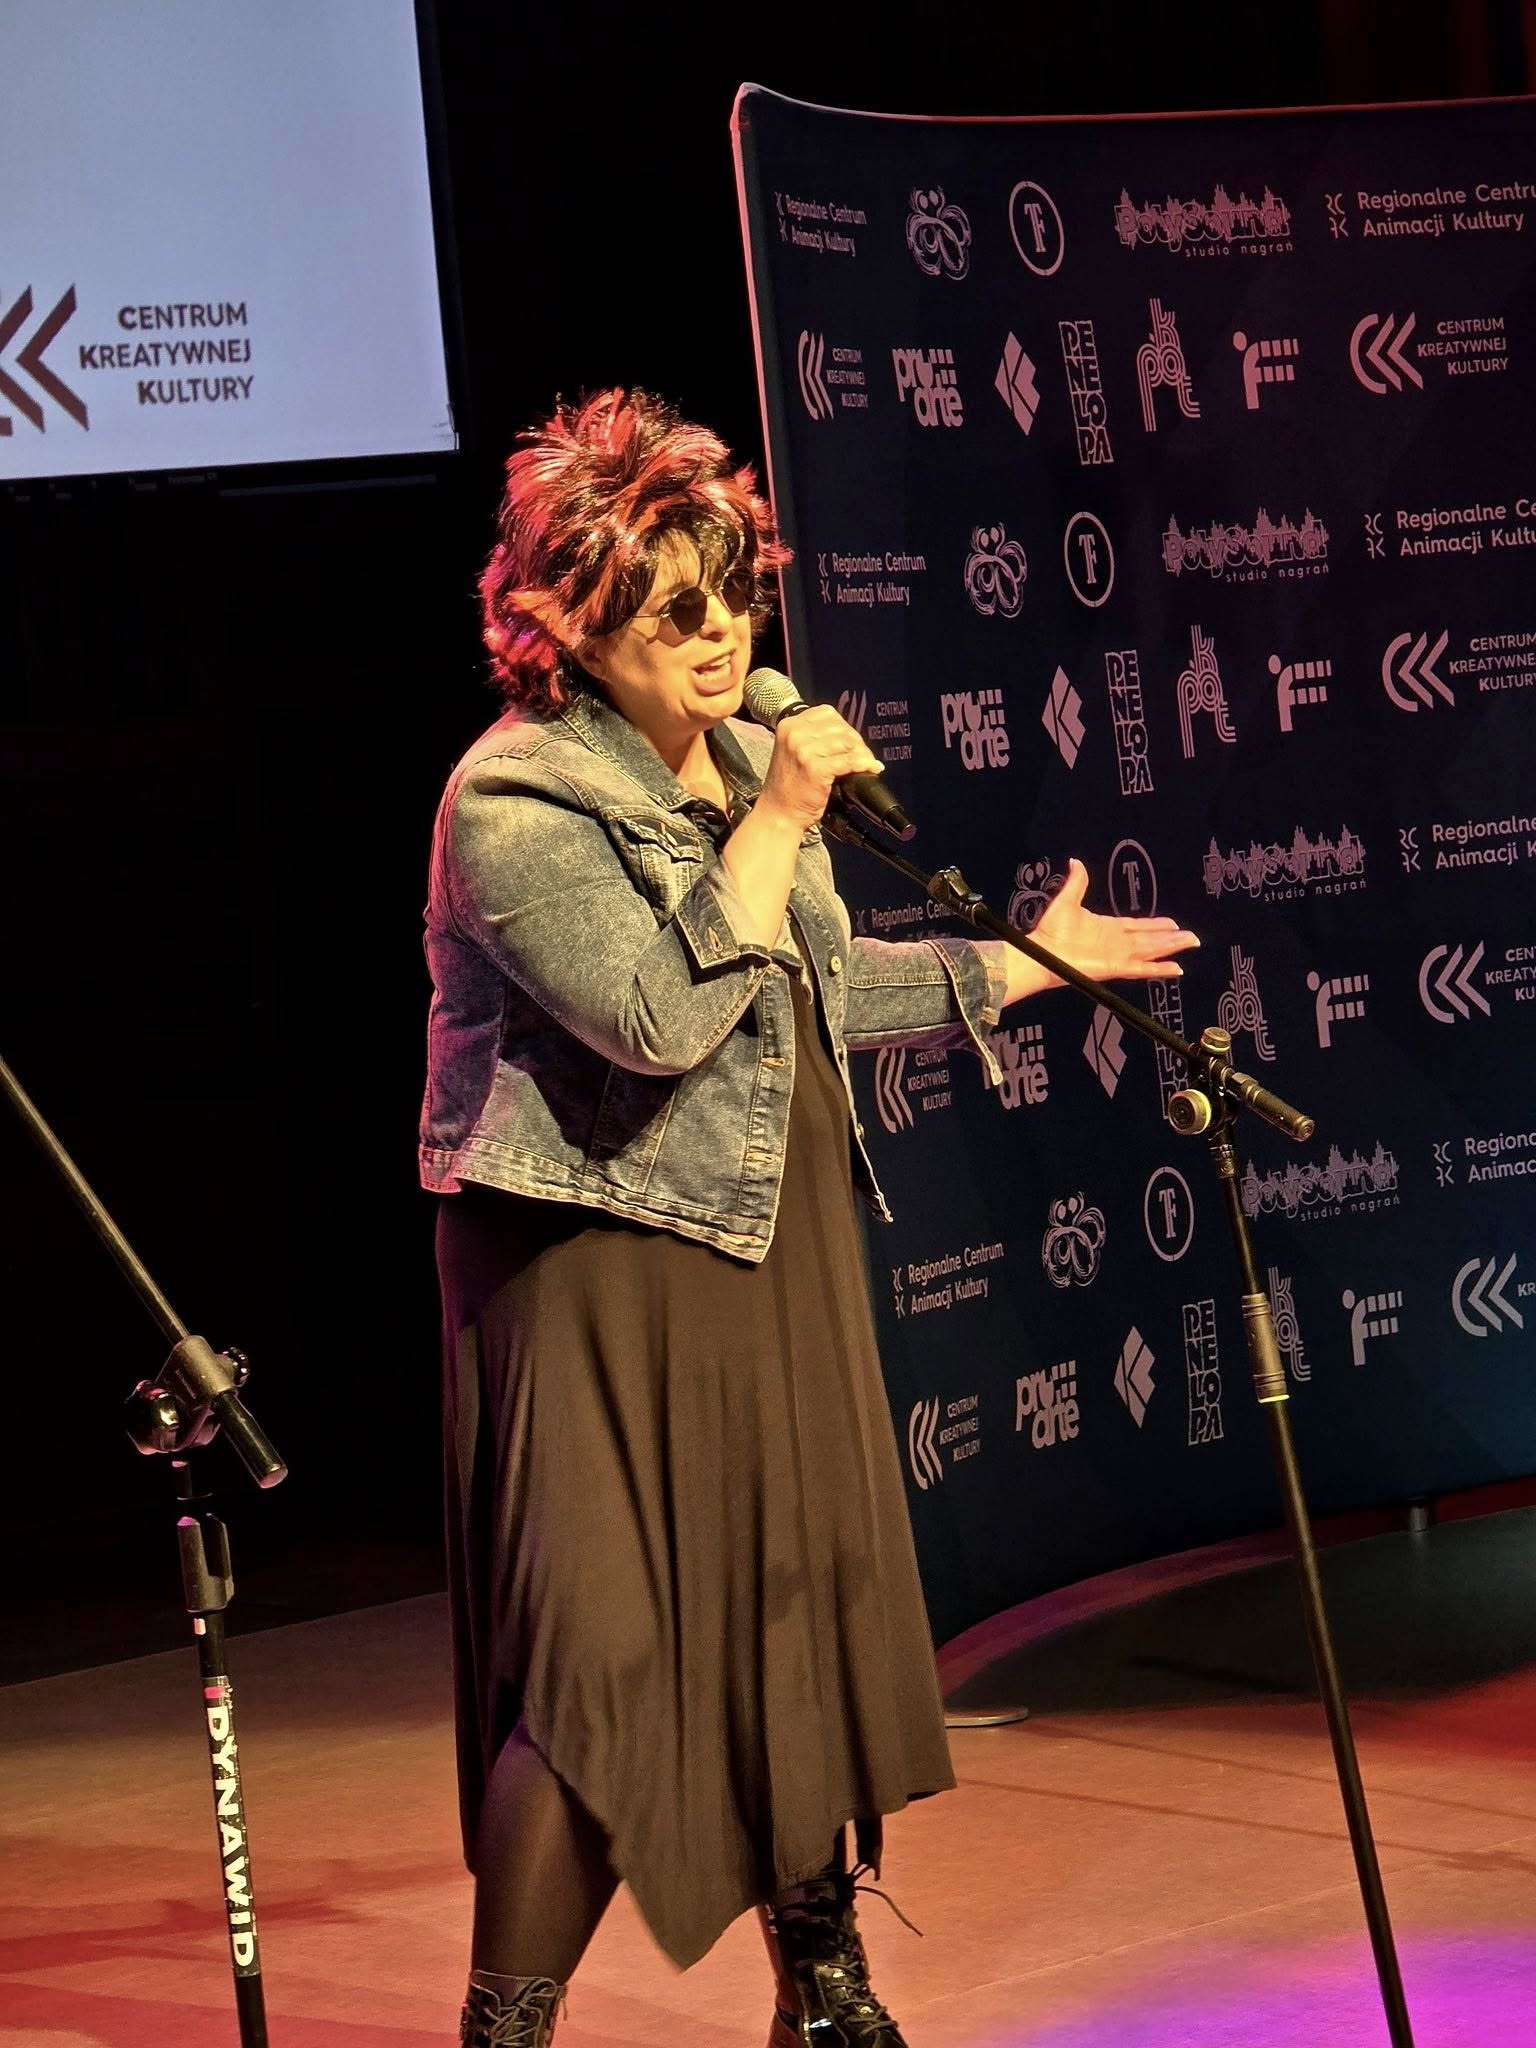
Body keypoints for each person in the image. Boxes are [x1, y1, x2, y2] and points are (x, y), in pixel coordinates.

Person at [421, 388, 1198, 2048]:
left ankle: (825, 1991)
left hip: (771, 1240)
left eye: (736, 597)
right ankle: (507, 2029)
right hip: (595, 1270)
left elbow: (810, 993)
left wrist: (1022, 966)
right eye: (675, 611)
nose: (724, 637)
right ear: (572, 628)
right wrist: (775, 816)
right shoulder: (514, 804)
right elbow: (657, 1018)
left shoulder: (733, 764)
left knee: (795, 1612)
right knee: (597, 1669)